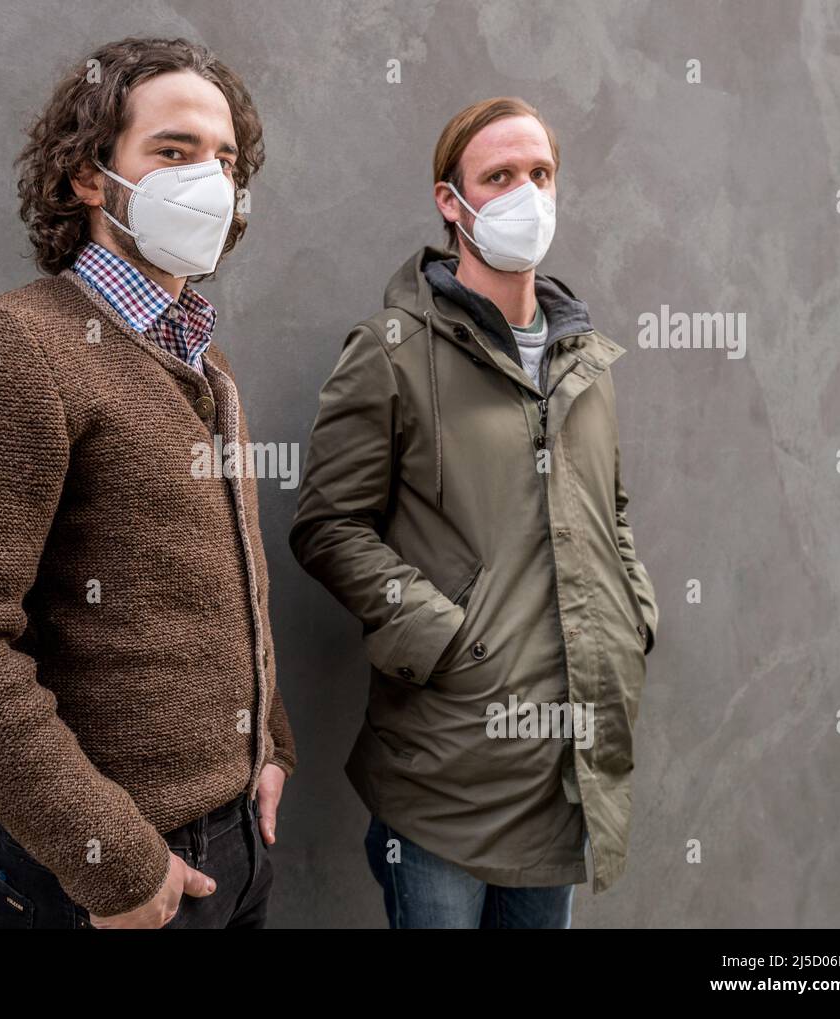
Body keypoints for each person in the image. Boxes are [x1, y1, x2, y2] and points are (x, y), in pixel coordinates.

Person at [0, 37, 295, 930]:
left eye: (224, 159)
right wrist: (111, 856)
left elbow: (226, 578)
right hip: (110, 885)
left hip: (236, 857)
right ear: (86, 176)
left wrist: (268, 743)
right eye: (173, 151)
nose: (211, 181)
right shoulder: (14, 350)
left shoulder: (202, 358)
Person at [289, 96, 658, 929]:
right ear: (450, 202)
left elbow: (612, 509)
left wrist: (634, 612)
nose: (526, 192)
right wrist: (441, 633)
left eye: (541, 174)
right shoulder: (390, 351)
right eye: (498, 175)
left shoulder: (583, 360)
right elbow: (325, 525)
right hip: (443, 777)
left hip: (565, 768)